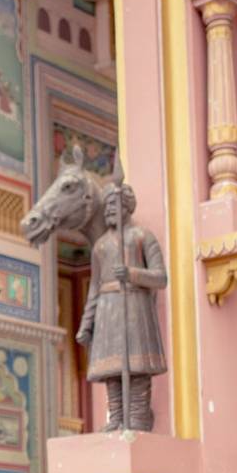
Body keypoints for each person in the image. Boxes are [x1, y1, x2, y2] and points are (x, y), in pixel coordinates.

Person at [75, 183, 167, 431]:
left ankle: (137, 416)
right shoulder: (101, 246)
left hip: (135, 308)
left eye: (113, 206)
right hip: (107, 311)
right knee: (112, 370)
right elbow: (94, 287)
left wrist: (132, 274)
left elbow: (160, 277)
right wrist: (86, 324)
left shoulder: (142, 236)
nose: (108, 212)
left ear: (127, 206)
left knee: (136, 368)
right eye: (105, 207)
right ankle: (116, 416)